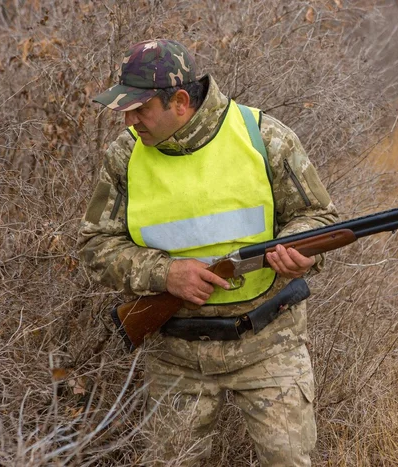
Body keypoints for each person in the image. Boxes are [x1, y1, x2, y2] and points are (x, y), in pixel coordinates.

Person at [78, 39, 338, 466]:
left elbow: (320, 218)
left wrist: (303, 252)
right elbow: (94, 245)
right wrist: (166, 274)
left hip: (269, 341)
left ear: (180, 101)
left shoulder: (263, 136)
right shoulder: (124, 155)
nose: (129, 120)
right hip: (176, 354)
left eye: (140, 109)